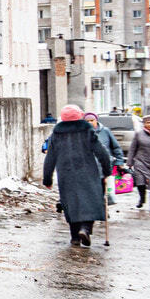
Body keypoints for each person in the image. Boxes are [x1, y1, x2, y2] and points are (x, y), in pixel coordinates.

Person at [42, 104, 112, 246]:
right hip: (87, 171)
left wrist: (47, 178)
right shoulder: (87, 130)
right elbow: (102, 152)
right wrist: (106, 171)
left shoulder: (57, 133)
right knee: (90, 201)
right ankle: (85, 229)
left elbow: (50, 157)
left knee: (71, 203)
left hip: (66, 174)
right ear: (79, 115)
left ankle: (75, 237)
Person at [85, 112, 126, 206]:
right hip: (89, 167)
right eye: (87, 121)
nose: (90, 123)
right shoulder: (82, 133)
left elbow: (115, 147)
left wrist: (119, 161)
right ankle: (96, 208)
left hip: (104, 166)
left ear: (96, 120)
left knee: (103, 189)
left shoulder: (105, 131)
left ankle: (103, 208)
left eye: (92, 120)